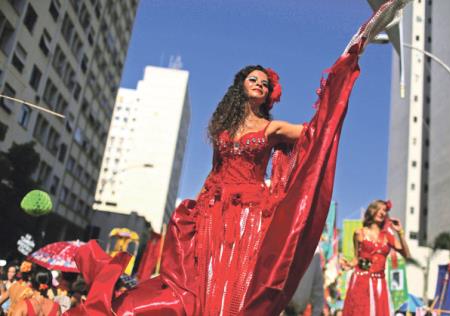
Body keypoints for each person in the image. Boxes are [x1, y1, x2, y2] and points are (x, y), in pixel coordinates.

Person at [65, 1, 411, 315]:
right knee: (200, 283)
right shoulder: (222, 129)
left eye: (264, 82)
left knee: (236, 284)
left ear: (268, 93)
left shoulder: (272, 128)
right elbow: (215, 171)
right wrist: (199, 207)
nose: (259, 83)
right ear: (241, 86)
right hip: (213, 214)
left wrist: (335, 92)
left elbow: (314, 133)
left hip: (249, 217)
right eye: (253, 79)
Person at [341, 200, 410, 316]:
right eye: (379, 209)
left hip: (379, 283)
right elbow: (356, 259)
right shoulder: (359, 233)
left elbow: (407, 254)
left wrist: (400, 232)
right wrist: (348, 265)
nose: (382, 212)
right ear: (372, 210)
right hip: (361, 282)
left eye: (385, 210)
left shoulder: (388, 237)